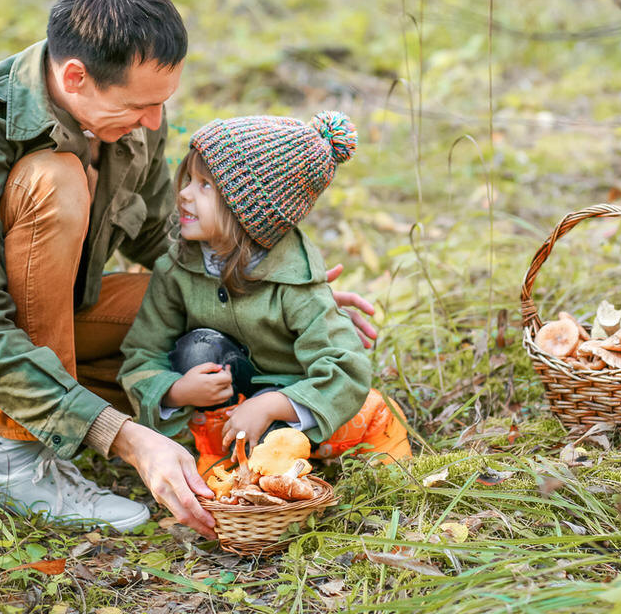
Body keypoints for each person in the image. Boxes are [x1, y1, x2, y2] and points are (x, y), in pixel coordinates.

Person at [0, 0, 377, 538]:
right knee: (53, 180)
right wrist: (127, 439)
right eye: (142, 106)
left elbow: (163, 237)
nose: (156, 122)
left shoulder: (130, 114)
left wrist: (265, 288)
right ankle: (16, 460)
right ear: (75, 76)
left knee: (202, 334)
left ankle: (53, 401)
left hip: (52, 302)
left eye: (163, 102)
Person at [118, 112, 411, 479]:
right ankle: (227, 468)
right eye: (188, 180)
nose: (184, 194)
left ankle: (375, 473)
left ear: (250, 211)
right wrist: (175, 391)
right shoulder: (177, 268)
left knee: (375, 416)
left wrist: (275, 404)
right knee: (197, 348)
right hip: (220, 417)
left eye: (205, 185)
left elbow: (346, 368)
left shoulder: (295, 283)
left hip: (295, 414)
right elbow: (140, 354)